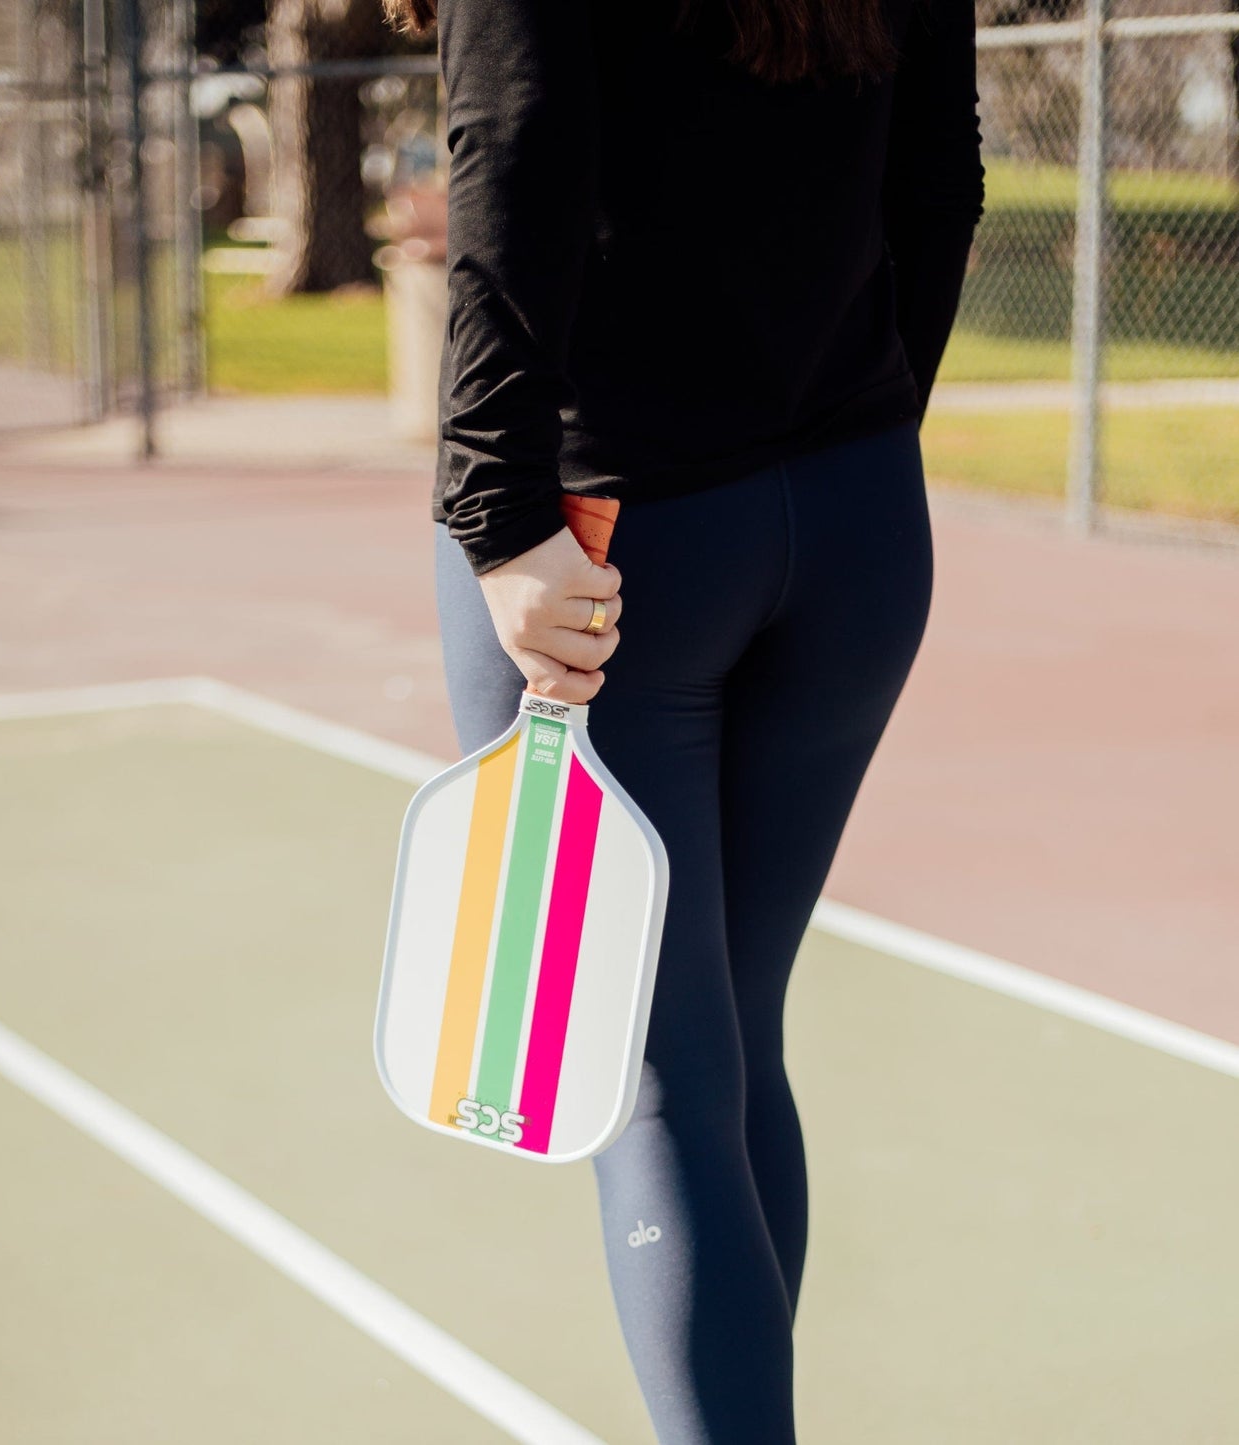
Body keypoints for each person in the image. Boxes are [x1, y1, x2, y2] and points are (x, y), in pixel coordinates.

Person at [383, 0, 985, 1439]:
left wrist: (494, 514)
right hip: (849, 519)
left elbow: (517, 155)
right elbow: (940, 175)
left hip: (614, 535)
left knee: (654, 1085)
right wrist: (856, 414)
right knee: (727, 1044)